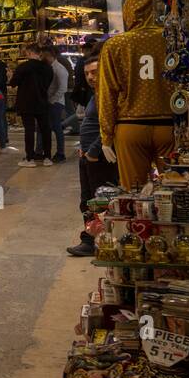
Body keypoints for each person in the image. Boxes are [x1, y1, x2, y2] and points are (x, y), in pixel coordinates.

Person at [98, 0, 174, 190]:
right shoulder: (172, 39)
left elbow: (107, 94)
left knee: (134, 193)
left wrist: (106, 137)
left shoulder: (115, 45)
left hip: (130, 127)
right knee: (176, 190)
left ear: (128, 10)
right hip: (170, 126)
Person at [68, 49, 118, 257]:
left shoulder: (108, 95)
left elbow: (110, 124)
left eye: (95, 72)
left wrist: (93, 151)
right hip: (88, 155)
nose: (90, 77)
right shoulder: (96, 94)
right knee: (88, 199)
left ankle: (99, 240)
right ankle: (92, 237)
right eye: (87, 73)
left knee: (100, 199)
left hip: (98, 157)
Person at [9, 43, 53, 167]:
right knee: (45, 130)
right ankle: (47, 157)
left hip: (26, 102)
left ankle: (30, 158)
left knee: (29, 130)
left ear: (28, 52)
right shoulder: (47, 67)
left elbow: (13, 83)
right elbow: (49, 82)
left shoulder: (23, 67)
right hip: (42, 101)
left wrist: (10, 76)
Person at [41, 45, 70, 162]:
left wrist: (52, 100)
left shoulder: (59, 69)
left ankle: (60, 153)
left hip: (56, 103)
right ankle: (43, 151)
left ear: (49, 56)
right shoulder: (49, 67)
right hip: (50, 101)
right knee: (48, 127)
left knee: (57, 127)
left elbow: (63, 88)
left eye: (43, 56)